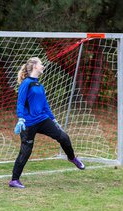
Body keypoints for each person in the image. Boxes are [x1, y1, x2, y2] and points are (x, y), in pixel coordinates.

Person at [9, 57, 85, 188]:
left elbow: (45, 105)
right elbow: (20, 102)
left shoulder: (39, 85)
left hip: (43, 119)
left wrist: (54, 119)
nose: (43, 66)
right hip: (28, 123)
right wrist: (21, 118)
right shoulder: (26, 83)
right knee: (26, 151)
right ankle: (14, 180)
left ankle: (72, 157)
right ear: (34, 67)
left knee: (63, 137)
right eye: (41, 64)